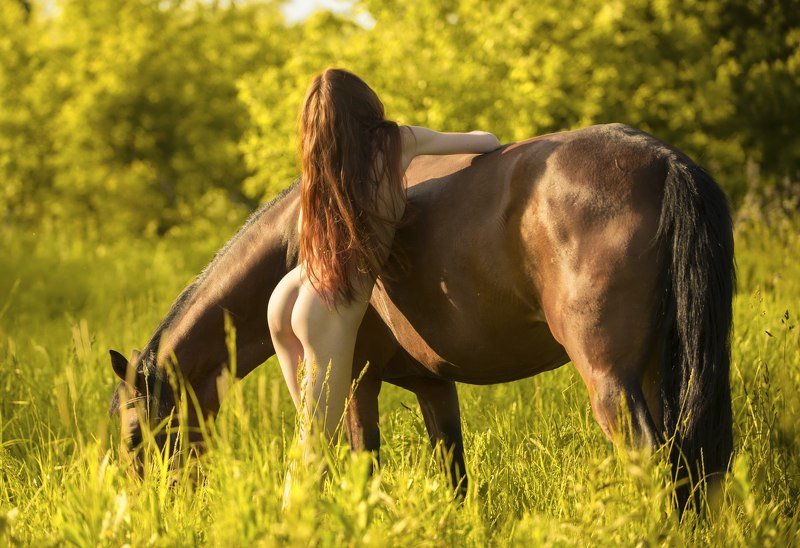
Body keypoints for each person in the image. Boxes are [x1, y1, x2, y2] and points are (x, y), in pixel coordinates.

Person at [267, 68, 500, 453]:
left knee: (309, 433)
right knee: (315, 449)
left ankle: (312, 509)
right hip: (326, 303)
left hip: (290, 292)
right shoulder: (396, 141)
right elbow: (486, 142)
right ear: (365, 104)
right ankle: (295, 516)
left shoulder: (320, 160)